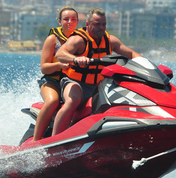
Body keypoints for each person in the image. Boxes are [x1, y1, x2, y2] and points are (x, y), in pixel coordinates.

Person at [53, 8, 141, 136]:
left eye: (104, 24)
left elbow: (132, 53)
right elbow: (60, 54)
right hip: (75, 82)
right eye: (97, 24)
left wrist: (145, 64)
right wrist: (76, 59)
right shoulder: (78, 40)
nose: (101, 27)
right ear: (88, 24)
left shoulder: (111, 41)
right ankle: (53, 140)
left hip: (99, 86)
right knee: (73, 100)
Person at [32, 6, 79, 141]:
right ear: (59, 22)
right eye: (66, 19)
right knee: (52, 101)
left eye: (73, 19)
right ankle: (36, 140)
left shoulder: (81, 39)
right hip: (51, 81)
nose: (69, 22)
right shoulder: (53, 39)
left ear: (77, 22)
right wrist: (59, 65)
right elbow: (44, 68)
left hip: (72, 81)